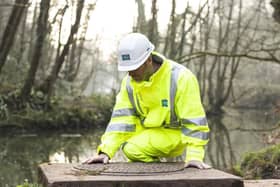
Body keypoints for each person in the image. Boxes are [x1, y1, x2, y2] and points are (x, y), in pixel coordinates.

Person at [83, 33, 210, 169]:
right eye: (127, 69)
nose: (130, 74)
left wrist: (195, 156)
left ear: (148, 60)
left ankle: (157, 175)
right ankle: (156, 174)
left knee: (131, 149)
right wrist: (105, 152)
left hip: (176, 134)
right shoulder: (129, 83)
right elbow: (120, 121)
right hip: (148, 133)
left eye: (134, 68)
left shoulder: (181, 78)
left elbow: (194, 120)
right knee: (131, 149)